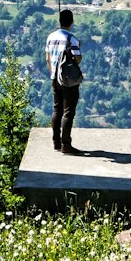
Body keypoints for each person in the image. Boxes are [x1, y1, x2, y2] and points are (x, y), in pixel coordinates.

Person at [46, 9, 82, 154]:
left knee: (57, 110)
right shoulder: (71, 39)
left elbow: (47, 58)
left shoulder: (50, 37)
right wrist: (79, 47)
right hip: (67, 80)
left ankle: (56, 142)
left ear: (59, 21)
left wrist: (52, 74)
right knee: (68, 112)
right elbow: (78, 59)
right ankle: (66, 145)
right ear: (71, 21)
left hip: (54, 77)